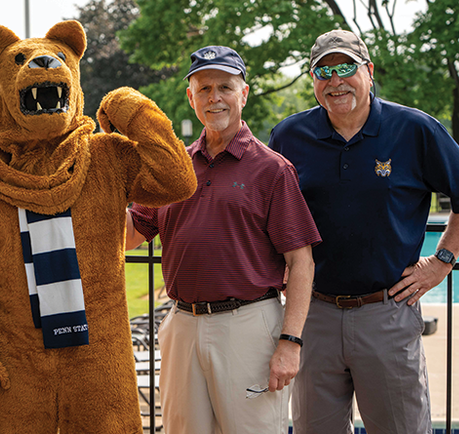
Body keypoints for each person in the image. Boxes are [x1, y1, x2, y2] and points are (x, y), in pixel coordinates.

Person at [269, 29, 459, 433]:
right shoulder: (289, 136)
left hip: (387, 314)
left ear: (369, 71)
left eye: (346, 67)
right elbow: (272, 212)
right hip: (314, 317)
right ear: (313, 81)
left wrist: (443, 260)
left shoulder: (415, 129)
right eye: (322, 72)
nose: (335, 81)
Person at [126, 45, 321, 434]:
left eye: (225, 87)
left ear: (243, 94)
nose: (215, 97)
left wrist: (291, 342)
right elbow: (129, 236)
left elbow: (301, 262)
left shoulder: (272, 169)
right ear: (191, 97)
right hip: (181, 323)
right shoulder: (173, 167)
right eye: (205, 88)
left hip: (247, 325)